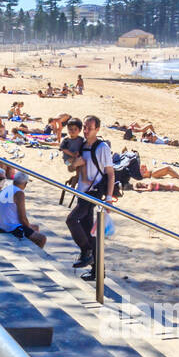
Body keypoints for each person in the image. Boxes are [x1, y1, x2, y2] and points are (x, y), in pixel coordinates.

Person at [66, 115, 113, 278]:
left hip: (93, 192)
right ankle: (98, 272)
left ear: (98, 129)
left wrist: (108, 198)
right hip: (82, 191)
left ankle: (87, 252)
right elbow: (71, 168)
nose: (86, 131)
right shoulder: (82, 145)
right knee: (89, 231)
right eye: (84, 127)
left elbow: (110, 174)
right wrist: (74, 165)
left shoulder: (102, 148)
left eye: (89, 128)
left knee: (71, 220)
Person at [0, 172, 47, 248]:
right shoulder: (19, 193)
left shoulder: (6, 189)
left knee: (35, 228)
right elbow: (23, 218)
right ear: (25, 184)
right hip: (11, 228)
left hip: (2, 224)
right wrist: (29, 228)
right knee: (42, 238)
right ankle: (36, 255)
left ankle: (31, 249)